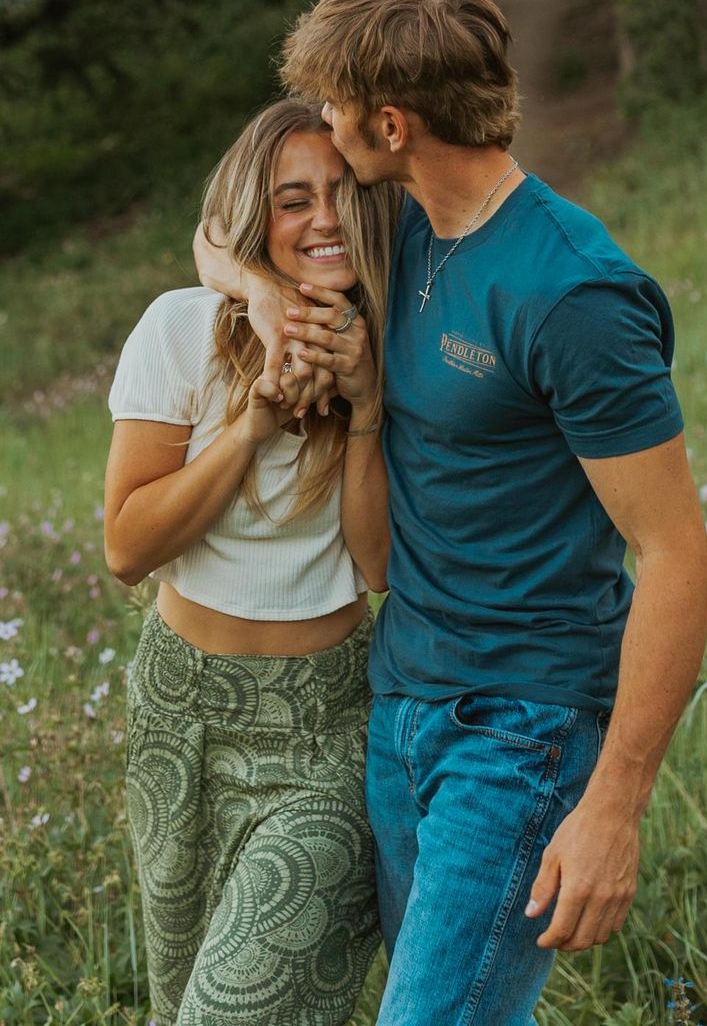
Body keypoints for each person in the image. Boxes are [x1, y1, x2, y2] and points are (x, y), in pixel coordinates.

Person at [194, 0, 707, 1026]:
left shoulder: (574, 292)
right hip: (403, 707)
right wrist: (254, 285)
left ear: (391, 123)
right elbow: (216, 235)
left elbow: (676, 553)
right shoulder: (397, 224)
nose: (324, 128)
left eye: (336, 111)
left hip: (522, 729)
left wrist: (614, 804)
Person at [104, 98, 402, 1026]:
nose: (322, 219)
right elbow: (127, 547)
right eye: (291, 199)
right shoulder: (180, 329)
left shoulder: (391, 342)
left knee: (231, 1010)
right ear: (252, 218)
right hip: (181, 713)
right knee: (178, 999)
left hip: (327, 724)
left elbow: (379, 567)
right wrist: (253, 424)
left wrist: (364, 411)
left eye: (341, 194)